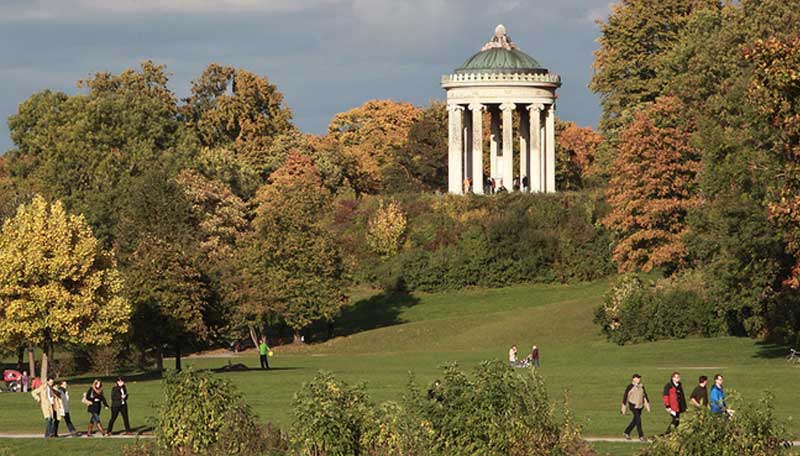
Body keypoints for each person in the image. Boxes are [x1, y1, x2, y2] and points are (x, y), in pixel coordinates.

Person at [621, 374, 651, 441]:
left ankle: (626, 432)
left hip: (640, 406)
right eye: (637, 378)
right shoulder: (630, 387)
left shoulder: (641, 386)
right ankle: (641, 436)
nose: (639, 379)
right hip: (633, 405)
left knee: (635, 421)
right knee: (638, 420)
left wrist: (647, 406)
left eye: (639, 378)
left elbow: (645, 396)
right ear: (633, 379)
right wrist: (623, 408)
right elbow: (625, 397)